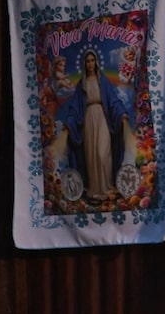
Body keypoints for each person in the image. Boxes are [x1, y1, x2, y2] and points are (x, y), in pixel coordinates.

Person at [56, 49, 131, 201]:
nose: (90, 63)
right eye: (87, 61)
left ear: (96, 62)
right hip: (88, 120)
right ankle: (94, 189)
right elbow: (75, 108)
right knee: (91, 155)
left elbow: (113, 100)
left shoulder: (102, 80)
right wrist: (68, 124)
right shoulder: (81, 84)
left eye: (92, 60)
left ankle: (107, 187)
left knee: (102, 153)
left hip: (102, 117)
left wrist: (121, 113)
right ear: (84, 63)